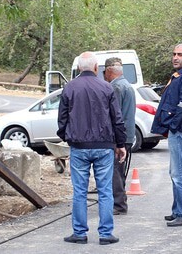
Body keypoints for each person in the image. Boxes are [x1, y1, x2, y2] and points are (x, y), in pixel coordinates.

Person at [58, 51, 127, 245]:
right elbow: (117, 119)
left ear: (79, 68)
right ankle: (106, 234)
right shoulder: (106, 88)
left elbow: (62, 118)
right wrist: (120, 144)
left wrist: (65, 136)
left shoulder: (69, 87)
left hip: (78, 146)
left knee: (79, 191)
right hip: (104, 146)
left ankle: (79, 233)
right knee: (105, 190)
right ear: (96, 68)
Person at [151, 44, 182, 227]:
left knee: (181, 174)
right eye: (173, 54)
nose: (175, 57)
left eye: (180, 54)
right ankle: (177, 211)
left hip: (181, 131)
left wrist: (172, 125)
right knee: (175, 173)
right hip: (178, 131)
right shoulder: (180, 76)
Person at [103, 57, 136, 216]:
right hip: (128, 134)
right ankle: (119, 201)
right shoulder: (127, 86)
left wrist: (116, 139)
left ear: (109, 71)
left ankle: (118, 205)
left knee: (115, 171)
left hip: (119, 137)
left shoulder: (115, 87)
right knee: (120, 170)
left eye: (104, 72)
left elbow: (115, 115)